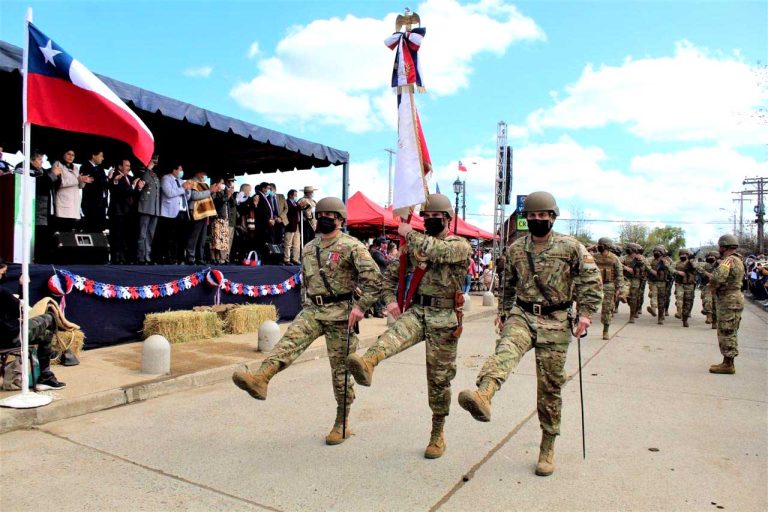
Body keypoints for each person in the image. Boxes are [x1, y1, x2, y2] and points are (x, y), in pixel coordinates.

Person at [455, 191, 601, 476]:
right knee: (505, 352)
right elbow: (508, 283)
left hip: (557, 320)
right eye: (531, 216)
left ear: (552, 217)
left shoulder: (570, 247)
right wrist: (503, 312)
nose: (536, 219)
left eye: (542, 215)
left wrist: (585, 313)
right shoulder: (517, 249)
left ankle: (548, 444)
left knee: (549, 386)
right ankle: (484, 395)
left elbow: (590, 279)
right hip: (522, 314)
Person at [232, 197, 381, 445]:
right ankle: (261, 379)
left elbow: (374, 279)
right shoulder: (310, 247)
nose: (323, 219)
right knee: (288, 343)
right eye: (320, 214)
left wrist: (361, 307)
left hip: (341, 314)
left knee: (341, 373)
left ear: (340, 220)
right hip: (313, 309)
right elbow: (307, 283)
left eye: (329, 216)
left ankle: (342, 421)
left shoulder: (352, 246)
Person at [347, 194, 472, 459]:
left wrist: (408, 232)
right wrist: (390, 302)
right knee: (391, 337)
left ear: (448, 219)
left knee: (439, 379)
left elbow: (438, 250)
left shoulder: (460, 246)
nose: (429, 220)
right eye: (425, 217)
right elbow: (389, 276)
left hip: (445, 316)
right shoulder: (415, 245)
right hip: (418, 310)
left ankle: (437, 433)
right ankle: (367, 363)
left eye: (435, 217)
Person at [0, 261, 71, 390]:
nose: (3, 276)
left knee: (46, 335)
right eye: (2, 273)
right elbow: (21, 311)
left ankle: (45, 376)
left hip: (6, 336)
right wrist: (23, 286)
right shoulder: (2, 293)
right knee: (50, 317)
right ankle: (59, 351)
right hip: (10, 337)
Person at [704, 234, 745, 374]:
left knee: (726, 330)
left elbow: (719, 278)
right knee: (730, 329)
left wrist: (711, 287)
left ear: (724, 246)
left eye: (720, 246)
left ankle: (728, 364)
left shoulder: (728, 261)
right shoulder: (738, 259)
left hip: (729, 298)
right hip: (734, 297)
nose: (719, 249)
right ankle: (727, 361)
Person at [20, 150, 60, 263]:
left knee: (45, 235)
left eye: (42, 159)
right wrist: (53, 175)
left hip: (47, 209)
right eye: (39, 159)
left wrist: (55, 174)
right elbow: (40, 184)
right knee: (37, 235)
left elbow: (53, 183)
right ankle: (36, 259)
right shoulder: (25, 168)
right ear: (31, 160)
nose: (41, 162)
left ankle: (43, 258)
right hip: (34, 209)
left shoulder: (43, 171)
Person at [157, 163, 191, 264]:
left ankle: (180, 258)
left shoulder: (181, 181)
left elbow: (187, 197)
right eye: (180, 169)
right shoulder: (166, 179)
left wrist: (188, 190)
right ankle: (167, 257)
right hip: (169, 213)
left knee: (181, 237)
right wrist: (183, 188)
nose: (181, 172)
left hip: (182, 211)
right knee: (169, 237)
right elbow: (169, 193)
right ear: (174, 170)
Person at [52, 149, 92, 232]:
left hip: (74, 205)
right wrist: (77, 180)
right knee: (63, 231)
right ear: (63, 154)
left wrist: (83, 180)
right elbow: (60, 183)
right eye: (68, 154)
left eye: (73, 155)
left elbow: (79, 186)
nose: (71, 157)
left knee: (70, 232)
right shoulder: (57, 164)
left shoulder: (75, 167)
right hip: (63, 204)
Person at [186, 170, 218, 265]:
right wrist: (210, 191)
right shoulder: (191, 182)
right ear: (198, 172)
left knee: (202, 237)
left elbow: (210, 196)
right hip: (197, 212)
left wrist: (213, 191)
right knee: (194, 236)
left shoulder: (205, 184)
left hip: (205, 212)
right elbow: (194, 196)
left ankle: (200, 258)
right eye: (204, 173)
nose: (205, 175)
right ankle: (190, 257)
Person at [106, 159, 136, 264]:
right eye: (126, 165)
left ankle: (124, 258)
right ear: (120, 166)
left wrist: (138, 188)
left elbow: (134, 193)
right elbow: (115, 189)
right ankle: (116, 258)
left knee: (126, 236)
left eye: (129, 165)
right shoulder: (115, 176)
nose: (129, 167)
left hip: (128, 212)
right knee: (116, 236)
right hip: (117, 211)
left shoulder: (130, 178)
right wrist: (115, 181)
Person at [593, 237, 623, 339]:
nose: (599, 246)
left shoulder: (614, 258)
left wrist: (619, 288)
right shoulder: (593, 257)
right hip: (594, 284)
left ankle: (605, 330)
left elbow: (619, 273)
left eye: (601, 245)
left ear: (607, 246)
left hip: (608, 285)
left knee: (607, 308)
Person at [136, 154, 161, 264]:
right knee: (143, 233)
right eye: (153, 160)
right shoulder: (143, 172)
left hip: (154, 208)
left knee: (150, 233)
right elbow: (142, 180)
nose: (155, 162)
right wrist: (148, 167)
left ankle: (148, 256)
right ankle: (141, 256)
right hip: (145, 207)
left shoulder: (154, 175)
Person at [645, 245, 675, 325]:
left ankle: (660, 317)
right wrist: (652, 271)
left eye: (659, 252)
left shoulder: (668, 260)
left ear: (662, 253)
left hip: (663, 282)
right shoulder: (651, 259)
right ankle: (653, 309)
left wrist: (665, 263)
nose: (656, 253)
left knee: (662, 300)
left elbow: (672, 269)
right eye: (655, 251)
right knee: (654, 295)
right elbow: (646, 264)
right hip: (654, 282)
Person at [210, 176, 236, 265]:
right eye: (221, 183)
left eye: (223, 183)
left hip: (225, 219)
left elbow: (234, 204)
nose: (223, 185)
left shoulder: (224, 192)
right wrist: (227, 195)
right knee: (215, 239)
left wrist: (230, 194)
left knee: (222, 240)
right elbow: (217, 203)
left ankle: (220, 258)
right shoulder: (214, 193)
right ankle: (213, 258)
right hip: (217, 218)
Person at [673, 248, 697, 327]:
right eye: (681, 254)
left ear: (687, 255)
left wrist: (691, 261)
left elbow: (696, 268)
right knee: (679, 298)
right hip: (679, 284)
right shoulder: (677, 263)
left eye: (685, 254)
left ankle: (685, 319)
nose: (683, 256)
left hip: (689, 284)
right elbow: (670, 268)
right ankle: (679, 313)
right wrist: (678, 272)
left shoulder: (692, 262)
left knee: (687, 302)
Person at [282, 189, 301, 265]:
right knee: (288, 243)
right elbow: (291, 210)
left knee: (296, 243)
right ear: (290, 195)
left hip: (296, 225)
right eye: (295, 195)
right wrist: (299, 206)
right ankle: (286, 259)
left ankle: (295, 259)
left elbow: (298, 209)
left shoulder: (296, 203)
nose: (296, 196)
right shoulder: (287, 202)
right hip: (289, 225)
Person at [699, 251, 718, 324]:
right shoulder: (705, 264)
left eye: (712, 256)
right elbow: (697, 267)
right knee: (707, 301)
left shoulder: (720, 265)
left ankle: (714, 322)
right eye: (709, 256)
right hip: (706, 286)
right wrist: (706, 273)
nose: (710, 258)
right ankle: (709, 317)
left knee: (715, 303)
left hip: (716, 287)